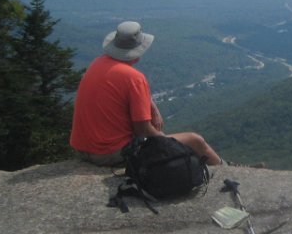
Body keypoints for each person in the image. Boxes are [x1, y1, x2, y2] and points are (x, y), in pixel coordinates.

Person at [70, 21, 224, 166]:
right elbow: (142, 130)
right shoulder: (134, 78)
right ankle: (227, 170)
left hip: (82, 149)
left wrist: (152, 106)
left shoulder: (97, 63)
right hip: (109, 154)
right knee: (196, 141)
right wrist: (168, 143)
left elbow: (119, 89)